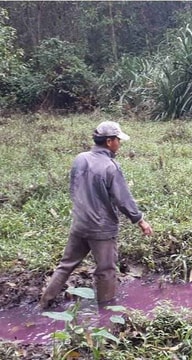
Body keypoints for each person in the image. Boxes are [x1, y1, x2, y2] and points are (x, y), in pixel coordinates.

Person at [39, 121, 153, 309]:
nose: (119, 143)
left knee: (65, 265)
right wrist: (140, 220)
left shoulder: (80, 158)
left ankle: (43, 304)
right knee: (106, 270)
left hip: (80, 224)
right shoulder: (110, 166)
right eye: (118, 140)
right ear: (109, 141)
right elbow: (123, 199)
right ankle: (106, 312)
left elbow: (74, 188)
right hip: (101, 228)